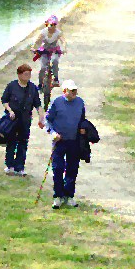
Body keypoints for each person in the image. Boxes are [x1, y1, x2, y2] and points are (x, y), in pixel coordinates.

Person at [45, 79, 87, 209]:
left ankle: (69, 195)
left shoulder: (80, 102)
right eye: (71, 90)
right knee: (57, 168)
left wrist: (83, 128)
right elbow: (48, 121)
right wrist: (53, 133)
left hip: (74, 140)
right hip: (59, 141)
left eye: (75, 90)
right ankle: (58, 196)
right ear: (64, 91)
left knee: (72, 168)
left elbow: (82, 119)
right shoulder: (56, 103)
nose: (74, 92)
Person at [1, 64, 44, 176]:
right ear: (19, 74)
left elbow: (38, 104)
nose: (28, 76)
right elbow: (4, 100)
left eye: (29, 74)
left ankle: (20, 167)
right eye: (25, 74)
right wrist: (10, 110)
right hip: (13, 119)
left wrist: (41, 118)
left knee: (23, 142)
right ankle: (9, 165)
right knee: (11, 142)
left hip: (25, 119)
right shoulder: (12, 86)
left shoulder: (32, 88)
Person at [32, 14, 67, 90]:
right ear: (47, 24)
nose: (52, 26)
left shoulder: (58, 33)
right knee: (42, 67)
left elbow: (63, 41)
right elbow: (37, 41)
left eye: (54, 24)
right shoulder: (43, 32)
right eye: (51, 24)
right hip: (44, 50)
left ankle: (56, 79)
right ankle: (40, 84)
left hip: (55, 50)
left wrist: (64, 48)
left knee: (55, 61)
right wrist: (33, 47)